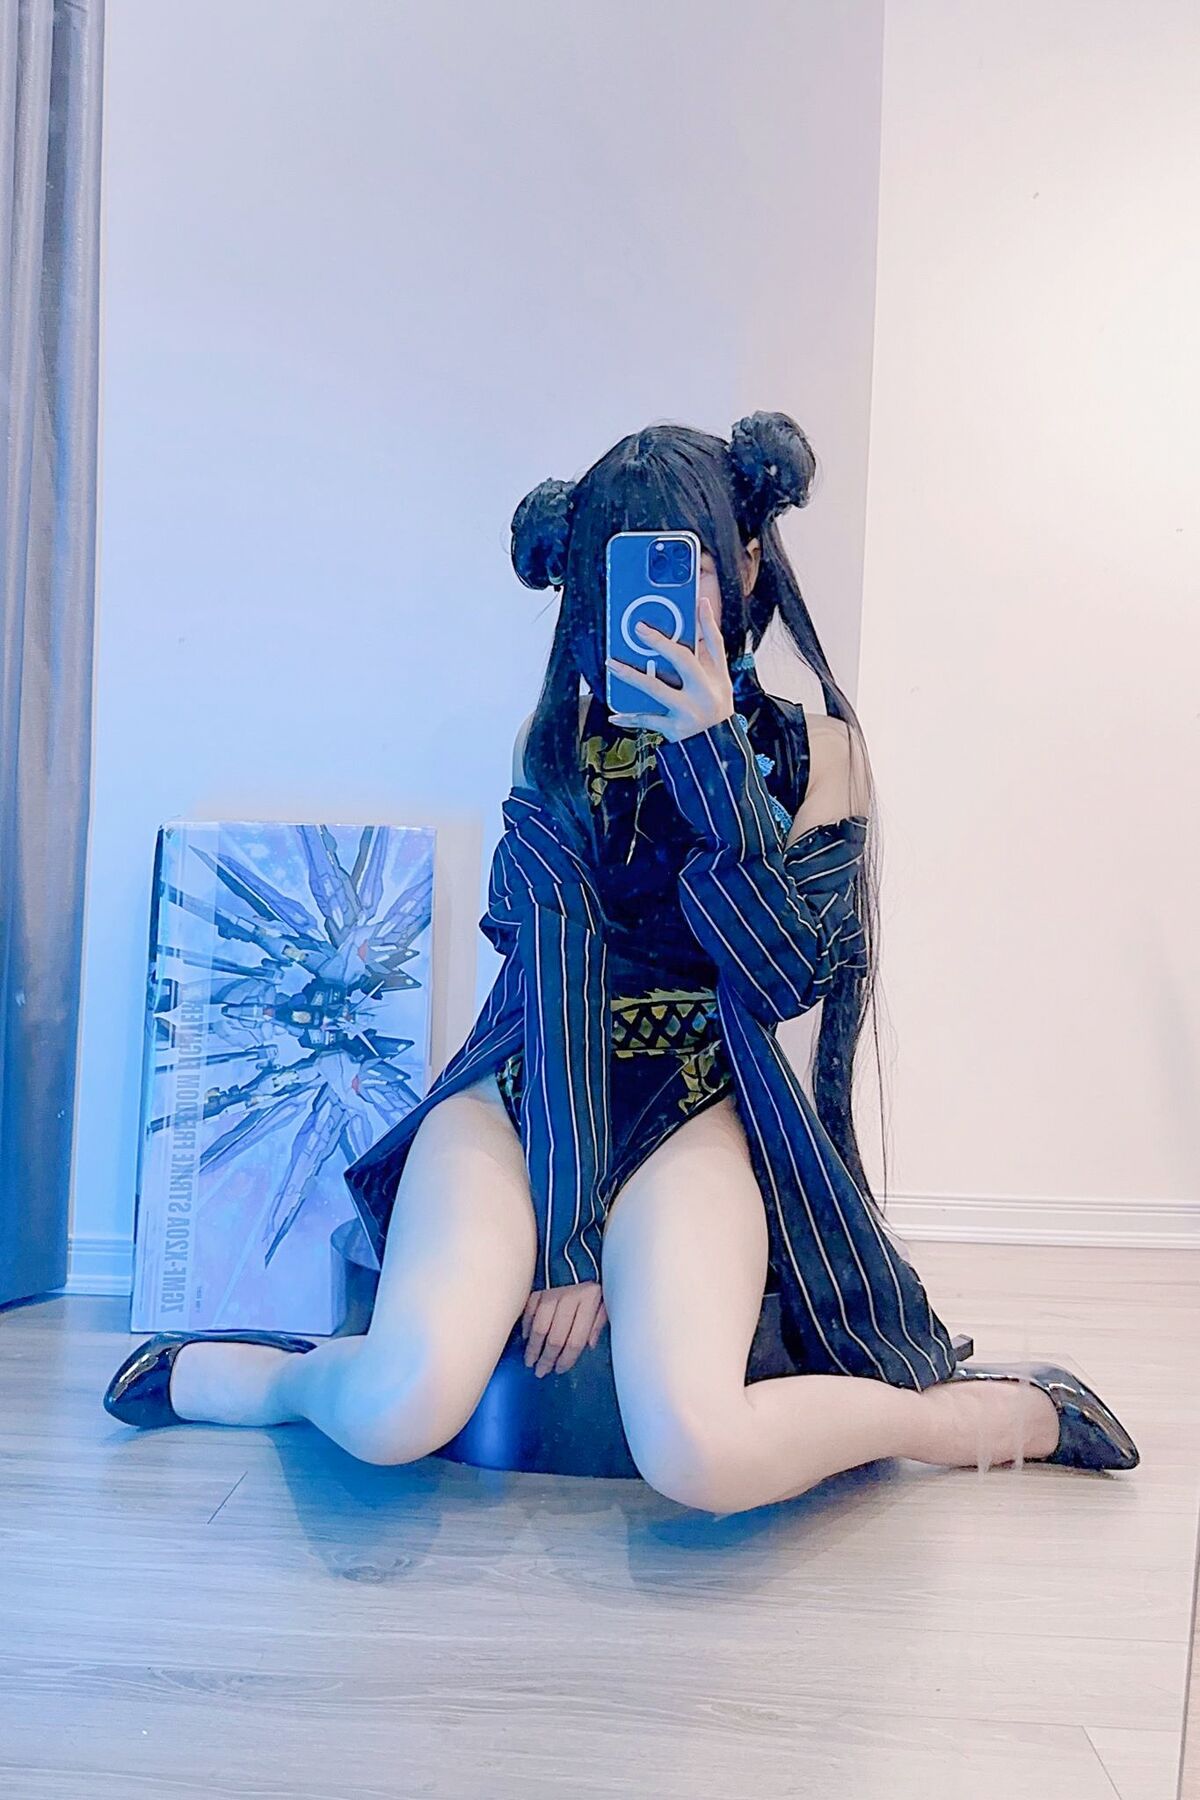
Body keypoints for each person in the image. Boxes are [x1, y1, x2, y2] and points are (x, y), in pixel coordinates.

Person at [104, 413, 1138, 1510]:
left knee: (700, 1450)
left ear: (746, 562)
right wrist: (569, 1236)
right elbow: (552, 983)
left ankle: (975, 1420)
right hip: (522, 1098)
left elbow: (782, 980)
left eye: (686, 565)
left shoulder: (818, 753)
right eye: (621, 571)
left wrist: (713, 761)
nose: (656, 603)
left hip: (695, 1101)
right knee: (399, 1407)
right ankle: (253, 1376)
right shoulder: (553, 750)